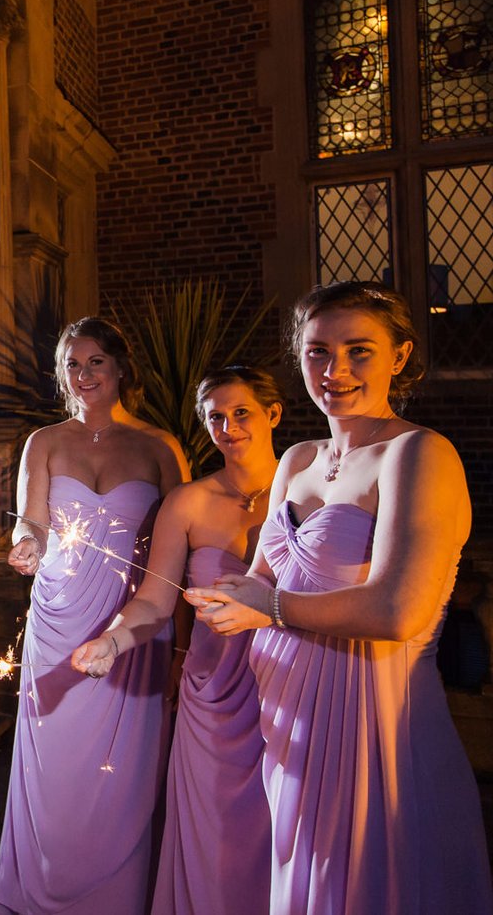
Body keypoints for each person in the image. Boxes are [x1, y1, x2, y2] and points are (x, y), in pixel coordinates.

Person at [186, 282, 493, 914]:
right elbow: (263, 582)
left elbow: (395, 610)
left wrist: (266, 608)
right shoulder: (298, 458)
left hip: (371, 717)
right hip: (288, 716)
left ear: (400, 356)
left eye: (359, 351)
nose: (336, 372)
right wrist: (211, 599)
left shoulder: (417, 454)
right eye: (318, 352)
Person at [0, 316, 186, 915]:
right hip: (58, 616)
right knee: (55, 770)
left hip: (129, 622)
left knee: (120, 777)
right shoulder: (44, 441)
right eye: (72, 365)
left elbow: (181, 541)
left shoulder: (159, 446)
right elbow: (34, 519)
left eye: (95, 361)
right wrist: (27, 542)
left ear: (121, 367)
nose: (84, 375)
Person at [73, 365, 283, 915]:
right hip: (212, 695)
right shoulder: (187, 502)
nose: (229, 427)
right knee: (215, 842)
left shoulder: (305, 486)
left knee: (287, 834)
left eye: (242, 413)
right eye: (216, 417)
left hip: (289, 688)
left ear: (273, 416)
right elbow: (153, 599)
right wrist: (113, 642)